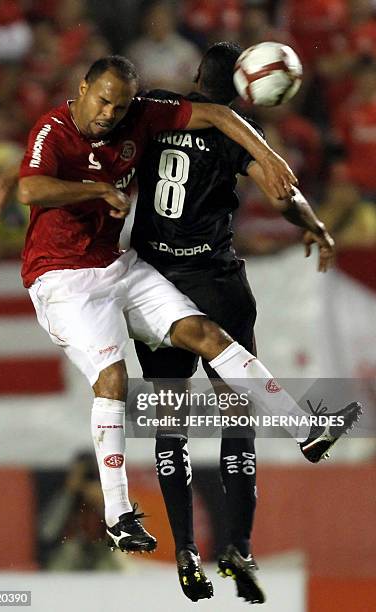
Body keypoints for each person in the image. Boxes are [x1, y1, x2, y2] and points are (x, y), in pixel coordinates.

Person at [0, 54, 361, 597]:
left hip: (123, 266)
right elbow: (36, 187)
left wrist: (268, 157)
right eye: (102, 100)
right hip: (62, 281)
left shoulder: (142, 117)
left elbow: (220, 117)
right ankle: (118, 512)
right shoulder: (53, 127)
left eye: (120, 104)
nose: (110, 113)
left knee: (208, 336)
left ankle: (306, 430)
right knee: (113, 379)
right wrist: (91, 191)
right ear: (82, 89)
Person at [130, 42, 362, 602]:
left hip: (153, 283)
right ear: (242, 86)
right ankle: (237, 544)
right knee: (236, 411)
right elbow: (280, 189)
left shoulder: (154, 111)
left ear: (193, 78)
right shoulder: (232, 128)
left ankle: (185, 546)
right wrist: (314, 224)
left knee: (171, 416)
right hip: (214, 282)